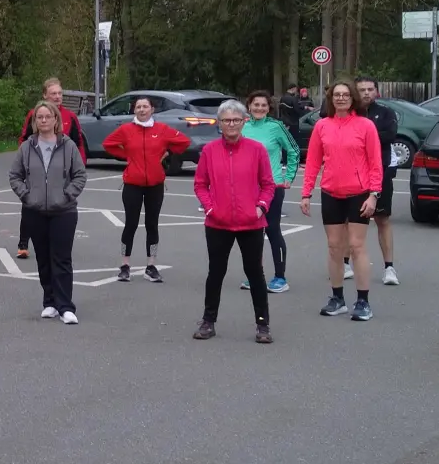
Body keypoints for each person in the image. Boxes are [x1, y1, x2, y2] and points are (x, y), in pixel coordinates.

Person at [192, 100, 276, 343]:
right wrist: (210, 208)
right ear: (219, 124)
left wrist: (261, 207)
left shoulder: (257, 149)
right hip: (218, 224)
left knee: (255, 274)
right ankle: (208, 321)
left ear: (244, 122)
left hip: (251, 224)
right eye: (226, 120)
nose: (231, 124)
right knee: (215, 273)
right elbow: (200, 184)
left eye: (236, 120)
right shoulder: (209, 150)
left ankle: (263, 324)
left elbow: (268, 185)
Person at [301, 81, 382, 320]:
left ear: (352, 98)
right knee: (335, 248)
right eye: (337, 95)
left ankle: (363, 301)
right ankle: (337, 298)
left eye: (346, 94)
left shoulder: (365, 126)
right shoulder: (322, 126)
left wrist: (373, 195)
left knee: (357, 247)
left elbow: (376, 162)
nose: (341, 98)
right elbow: (313, 162)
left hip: (359, 193)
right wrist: (306, 193)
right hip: (331, 193)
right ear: (331, 99)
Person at [8, 102, 87, 324]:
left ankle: (66, 306)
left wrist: (67, 195)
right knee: (43, 259)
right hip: (35, 211)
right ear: (35, 122)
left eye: (47, 117)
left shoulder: (68, 145)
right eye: (39, 117)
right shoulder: (27, 147)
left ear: (55, 120)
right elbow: (14, 175)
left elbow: (80, 175)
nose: (43, 121)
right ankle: (49, 302)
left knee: (61, 259)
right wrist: (27, 196)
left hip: (64, 211)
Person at [102, 95, 188, 283]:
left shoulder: (162, 129)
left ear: (152, 110)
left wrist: (166, 152)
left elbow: (183, 142)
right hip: (132, 184)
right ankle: (125, 265)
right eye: (138, 107)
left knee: (152, 224)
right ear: (134, 110)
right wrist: (128, 155)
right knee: (130, 224)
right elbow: (108, 144)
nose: (142, 110)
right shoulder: (126, 130)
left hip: (155, 185)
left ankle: (151, 265)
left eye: (145, 106)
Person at [15, 78, 89, 259]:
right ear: (45, 95)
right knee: (30, 206)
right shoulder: (35, 114)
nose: (57, 97)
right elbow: (24, 139)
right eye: (53, 94)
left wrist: (80, 164)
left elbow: (77, 141)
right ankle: (23, 243)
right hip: (36, 172)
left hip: (60, 174)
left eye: (60, 93)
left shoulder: (70, 117)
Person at [241, 89, 299, 292]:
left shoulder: (276, 127)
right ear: (249, 106)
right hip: (247, 189)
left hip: (272, 186)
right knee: (251, 234)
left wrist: (289, 177)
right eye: (255, 105)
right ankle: (255, 275)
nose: (259, 108)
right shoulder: (242, 126)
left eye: (263, 105)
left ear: (269, 108)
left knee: (272, 230)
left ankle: (280, 277)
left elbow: (293, 150)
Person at [345, 77, 401, 285]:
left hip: (381, 171)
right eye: (361, 90)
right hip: (352, 173)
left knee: (382, 219)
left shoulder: (386, 113)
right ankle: (344, 263)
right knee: (348, 221)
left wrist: (361, 135)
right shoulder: (348, 113)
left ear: (376, 92)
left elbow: (389, 135)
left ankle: (389, 268)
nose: (366, 93)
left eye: (370, 89)